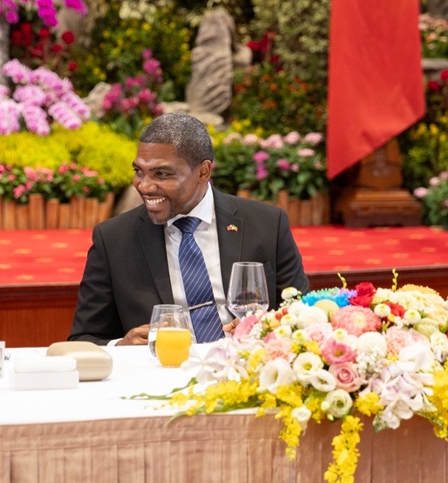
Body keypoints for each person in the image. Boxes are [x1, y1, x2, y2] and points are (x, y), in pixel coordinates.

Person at [69, 113, 310, 345]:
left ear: (203, 171)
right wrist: (122, 346)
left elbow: (303, 319)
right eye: (139, 171)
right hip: (161, 377)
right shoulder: (113, 239)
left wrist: (263, 329)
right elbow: (83, 339)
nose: (144, 186)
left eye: (162, 174)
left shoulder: (267, 224)